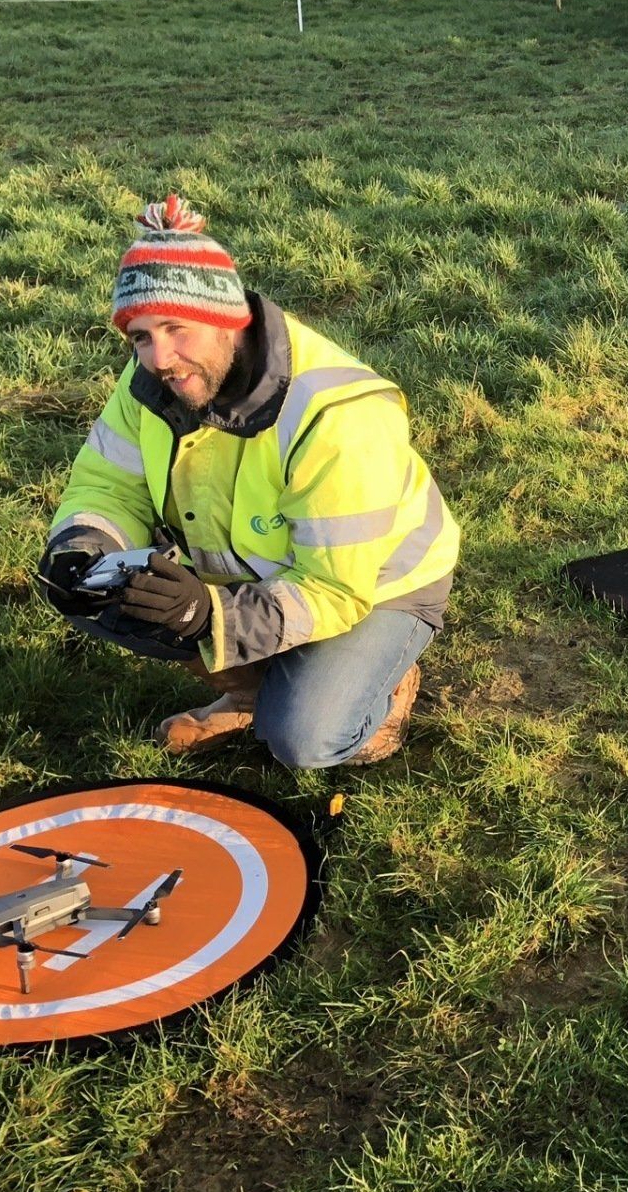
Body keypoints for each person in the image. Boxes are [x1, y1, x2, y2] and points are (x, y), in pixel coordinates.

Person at [37, 195, 458, 768]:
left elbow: (335, 589)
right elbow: (107, 485)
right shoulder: (153, 380)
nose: (159, 357)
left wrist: (212, 618)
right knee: (96, 595)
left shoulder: (338, 414)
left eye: (176, 328)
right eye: (139, 336)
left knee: (306, 740)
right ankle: (256, 690)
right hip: (244, 574)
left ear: (226, 319)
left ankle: (381, 687)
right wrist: (83, 548)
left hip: (376, 587)